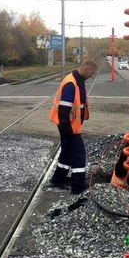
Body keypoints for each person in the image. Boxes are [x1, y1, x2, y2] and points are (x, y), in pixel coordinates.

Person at [49, 59, 98, 194]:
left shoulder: (77, 80)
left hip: (69, 125)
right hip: (69, 127)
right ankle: (77, 187)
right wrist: (68, 130)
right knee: (79, 155)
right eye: (92, 73)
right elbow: (63, 110)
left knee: (66, 153)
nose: (92, 75)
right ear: (86, 68)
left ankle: (57, 180)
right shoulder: (71, 83)